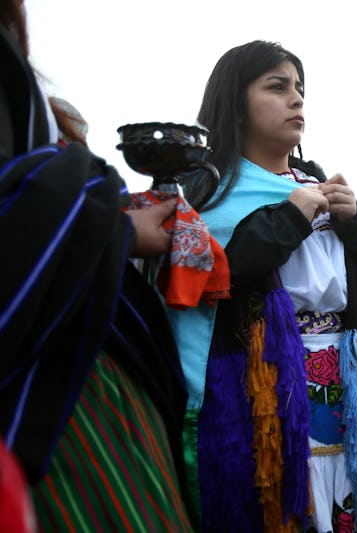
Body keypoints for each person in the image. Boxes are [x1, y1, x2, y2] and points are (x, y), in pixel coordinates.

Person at [174, 40, 357, 532]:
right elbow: (208, 284)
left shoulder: (316, 182)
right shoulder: (210, 193)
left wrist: (355, 230)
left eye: (299, 88)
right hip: (262, 388)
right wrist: (290, 219)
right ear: (235, 103)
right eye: (278, 87)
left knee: (346, 505)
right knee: (280, 505)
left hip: (344, 384)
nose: (297, 100)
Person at [1, 2, 192, 531]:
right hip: (57, 392)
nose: (295, 99)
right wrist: (113, 221)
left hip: (107, 382)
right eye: (278, 86)